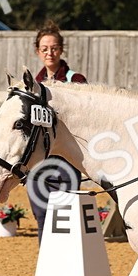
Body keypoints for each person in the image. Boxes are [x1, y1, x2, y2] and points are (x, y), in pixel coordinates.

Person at [28, 21, 86, 239]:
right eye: (44, 49)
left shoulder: (76, 80)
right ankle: (46, 266)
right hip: (40, 161)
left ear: (61, 49)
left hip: (67, 160)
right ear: (38, 51)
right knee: (41, 217)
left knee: (64, 216)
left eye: (53, 48)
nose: (49, 53)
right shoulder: (33, 84)